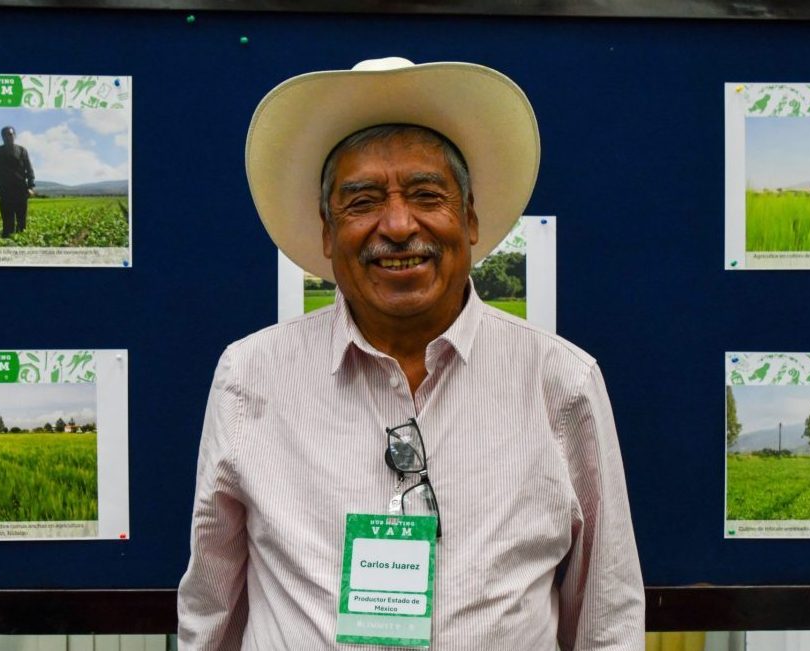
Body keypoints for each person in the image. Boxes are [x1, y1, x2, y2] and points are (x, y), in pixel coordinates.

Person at [178, 58, 644, 650]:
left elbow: (608, 615)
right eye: (363, 201)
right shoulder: (251, 376)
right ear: (327, 232)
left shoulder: (561, 381)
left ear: (470, 219)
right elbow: (211, 606)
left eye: (427, 194)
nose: (398, 225)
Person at [0, 126, 36, 237]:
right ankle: (7, 244)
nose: (8, 137)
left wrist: (31, 187)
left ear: (14, 135)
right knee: (7, 223)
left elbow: (29, 169)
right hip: (5, 190)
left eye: (10, 134)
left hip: (21, 189)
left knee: (21, 221)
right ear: (2, 137)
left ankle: (21, 244)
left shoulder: (22, 151)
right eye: (5, 135)